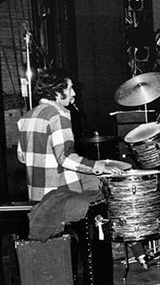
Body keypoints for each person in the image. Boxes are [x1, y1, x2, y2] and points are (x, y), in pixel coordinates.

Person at [18, 67, 122, 201]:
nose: (73, 93)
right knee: (104, 191)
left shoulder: (26, 117)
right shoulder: (58, 116)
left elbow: (21, 156)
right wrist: (98, 166)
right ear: (57, 91)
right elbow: (65, 158)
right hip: (60, 195)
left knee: (91, 181)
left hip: (36, 193)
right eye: (69, 88)